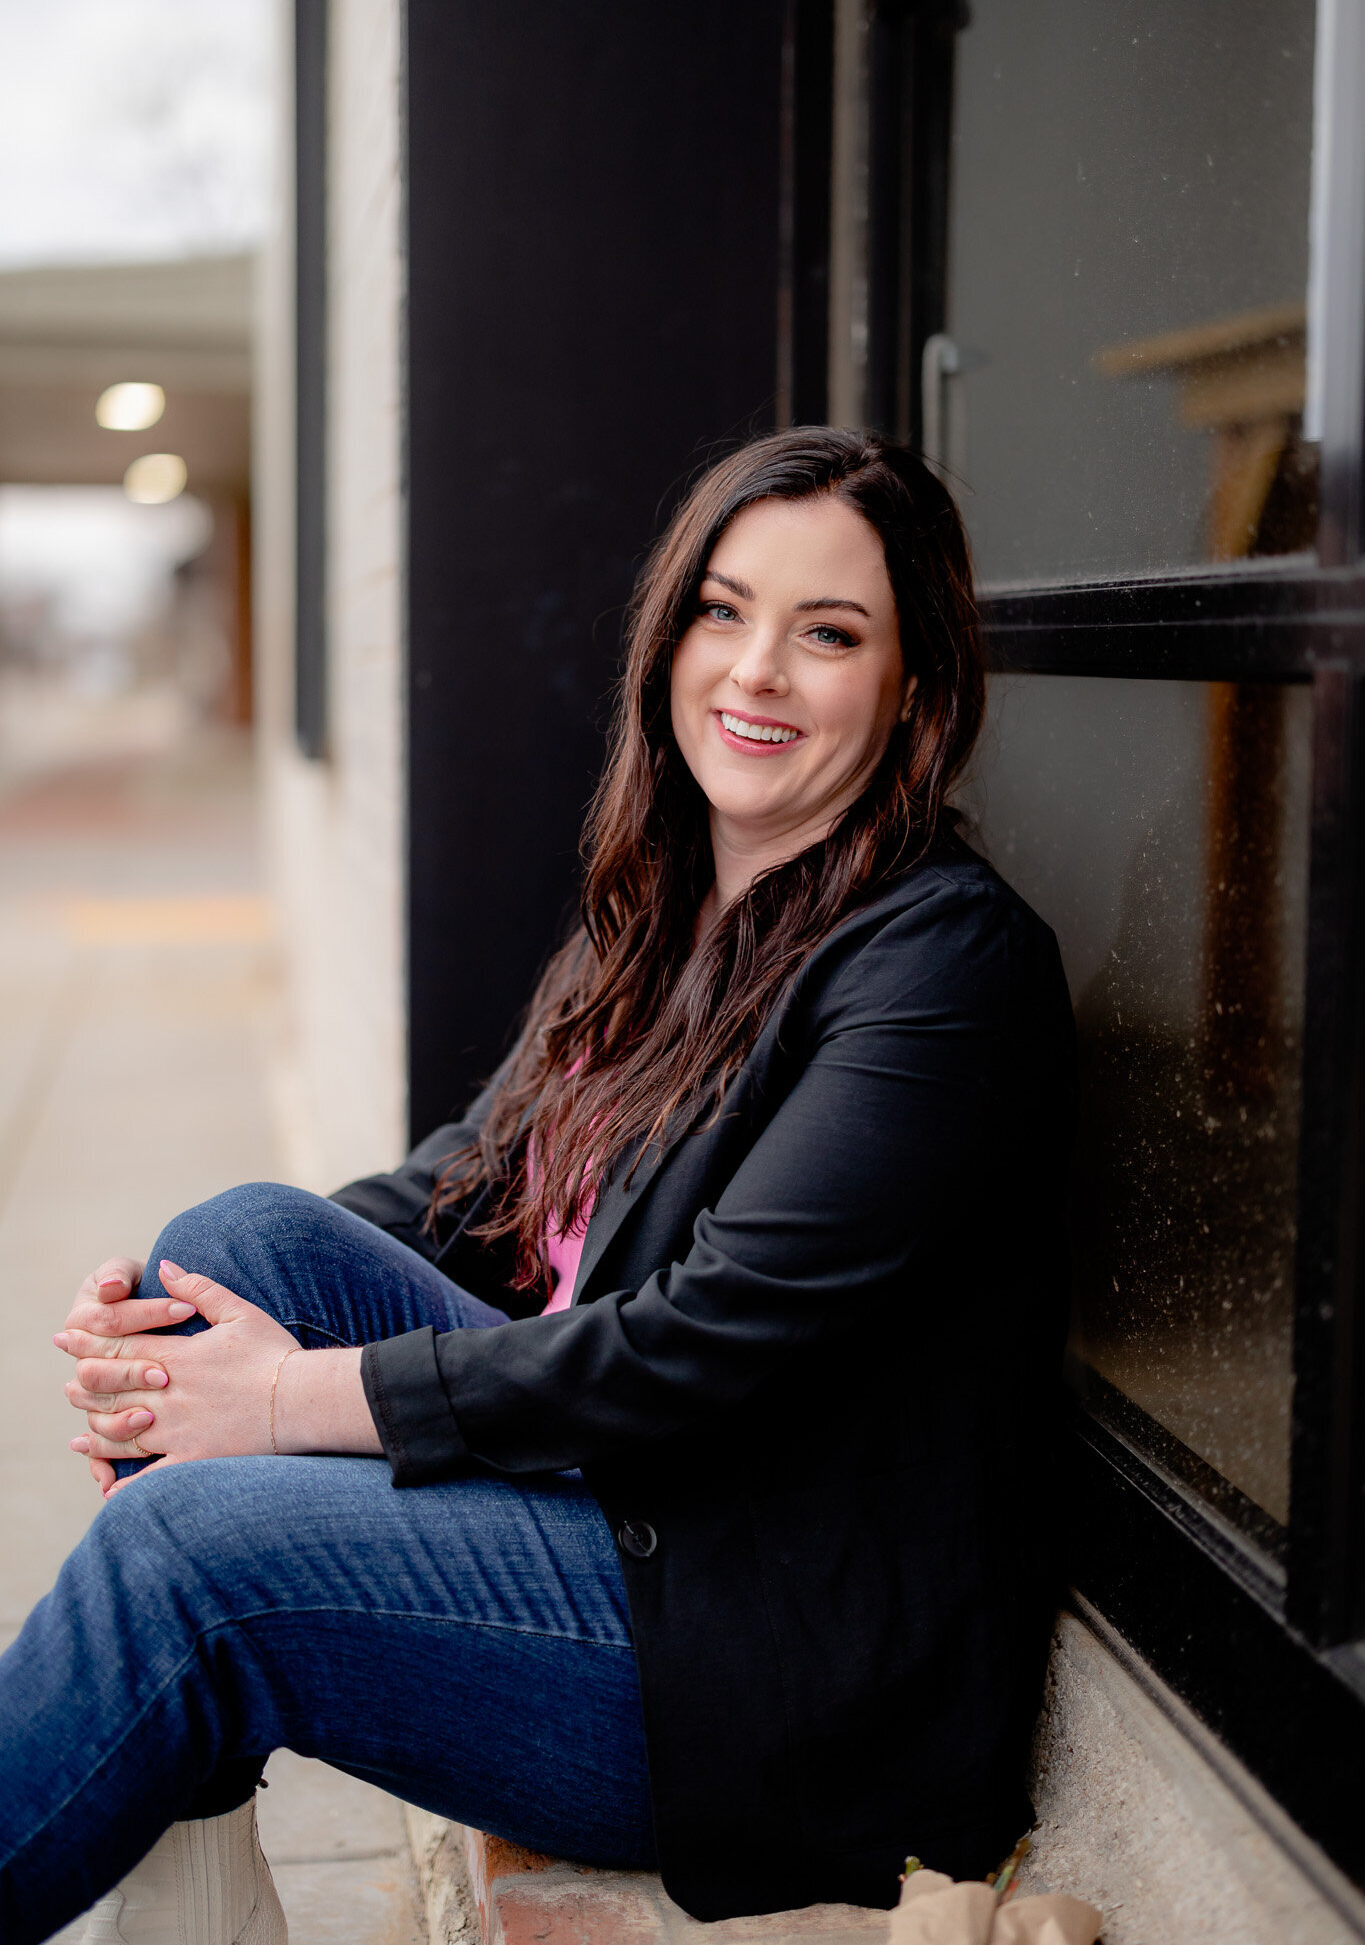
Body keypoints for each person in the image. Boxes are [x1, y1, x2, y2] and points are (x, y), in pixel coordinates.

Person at [2, 427, 1074, 1945]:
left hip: (751, 1663)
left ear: (915, 688)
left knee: (186, 1553)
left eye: (826, 634)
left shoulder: (945, 965)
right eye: (722, 609)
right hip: (625, 1506)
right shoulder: (673, 911)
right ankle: (190, 1888)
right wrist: (161, 1321)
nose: (755, 669)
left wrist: (278, 1404)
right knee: (224, 1250)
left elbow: (706, 1335)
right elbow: (474, 1184)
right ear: (668, 639)